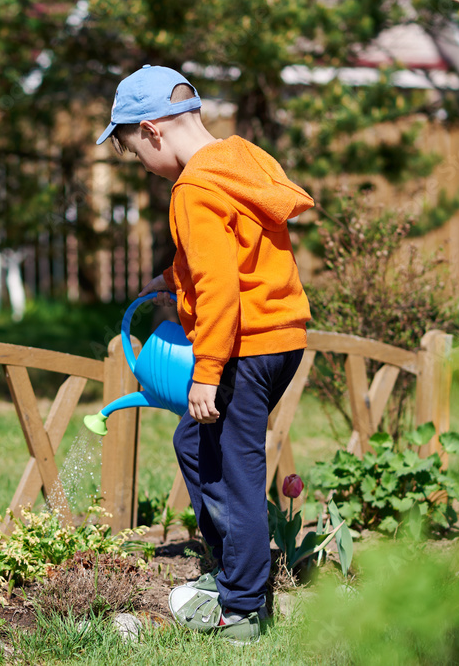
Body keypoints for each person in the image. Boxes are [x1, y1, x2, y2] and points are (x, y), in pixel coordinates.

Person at [96, 65, 312, 644]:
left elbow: (219, 288)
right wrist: (175, 276)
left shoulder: (193, 189)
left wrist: (206, 373)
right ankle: (234, 572)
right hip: (283, 337)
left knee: (234, 469)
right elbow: (235, 254)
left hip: (243, 345)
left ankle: (242, 608)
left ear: (153, 131)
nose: (141, 164)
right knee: (195, 443)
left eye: (134, 151)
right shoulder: (242, 159)